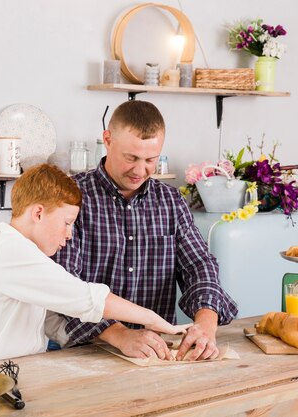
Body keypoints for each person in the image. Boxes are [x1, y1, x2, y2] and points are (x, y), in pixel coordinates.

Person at [53, 100, 238, 361]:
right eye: (131, 158)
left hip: (157, 355)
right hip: (85, 355)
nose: (140, 170)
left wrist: (206, 322)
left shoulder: (171, 201)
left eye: (151, 159)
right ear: (107, 140)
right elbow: (62, 286)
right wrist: (119, 334)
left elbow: (199, 266)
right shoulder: (73, 197)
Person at [0, 164, 187, 363]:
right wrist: (154, 320)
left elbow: (51, 317)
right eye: (67, 222)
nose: (69, 234)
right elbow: (85, 297)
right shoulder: (11, 252)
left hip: (12, 374)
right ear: (38, 213)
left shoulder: (21, 252)